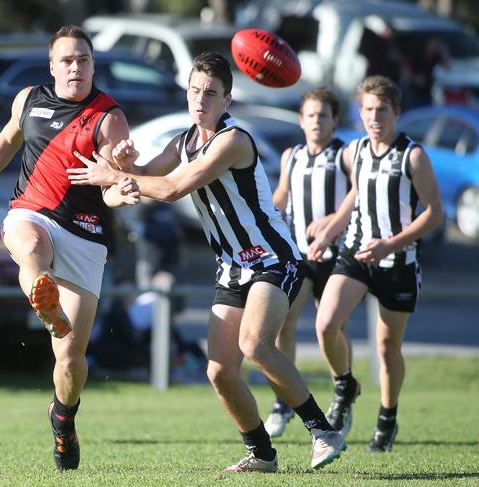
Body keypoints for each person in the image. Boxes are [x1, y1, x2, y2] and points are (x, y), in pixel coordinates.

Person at [69, 52, 345, 472]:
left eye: (211, 94)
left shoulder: (233, 141)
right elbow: (145, 178)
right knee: (219, 371)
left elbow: (173, 187)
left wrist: (120, 177)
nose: (201, 100)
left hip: (273, 259)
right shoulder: (183, 141)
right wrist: (123, 166)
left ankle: (323, 431)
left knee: (254, 344)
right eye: (195, 91)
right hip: (232, 267)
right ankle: (262, 454)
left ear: (228, 99)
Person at [0, 25, 139, 471]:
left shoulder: (109, 118)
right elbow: (6, 142)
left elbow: (114, 192)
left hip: (85, 234)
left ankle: (63, 418)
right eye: (67, 60)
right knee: (32, 246)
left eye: (83, 59)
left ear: (93, 64)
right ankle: (42, 293)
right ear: (52, 65)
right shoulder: (28, 99)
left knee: (70, 360)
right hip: (32, 213)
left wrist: (125, 182)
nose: (75, 67)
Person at [308, 75, 443, 452]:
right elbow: (356, 194)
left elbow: (433, 214)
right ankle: (344, 385)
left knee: (386, 348)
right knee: (325, 323)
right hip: (354, 253)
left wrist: (390, 245)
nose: (373, 116)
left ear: (397, 111)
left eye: (381, 109)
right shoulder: (354, 152)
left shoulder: (412, 155)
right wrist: (329, 232)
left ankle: (387, 417)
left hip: (397, 260)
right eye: (367, 109)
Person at [264, 88, 350, 438]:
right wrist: (264, 217)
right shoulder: (292, 155)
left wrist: (331, 225)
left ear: (335, 120)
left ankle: (341, 398)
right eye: (311, 115)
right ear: (301, 120)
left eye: (323, 115)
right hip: (299, 256)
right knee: (281, 326)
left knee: (331, 330)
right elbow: (282, 194)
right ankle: (283, 401)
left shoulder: (345, 155)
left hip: (337, 257)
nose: (316, 121)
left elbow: (358, 197)